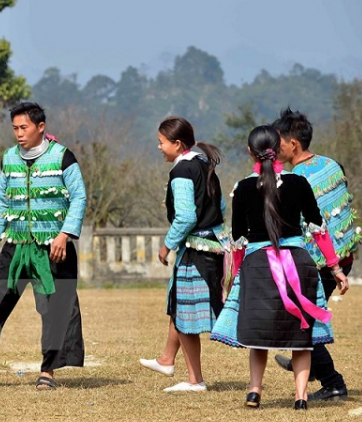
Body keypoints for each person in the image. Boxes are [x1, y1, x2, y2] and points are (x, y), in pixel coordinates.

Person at [210, 125, 348, 410]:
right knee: (301, 335)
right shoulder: (299, 183)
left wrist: (237, 275)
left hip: (259, 266)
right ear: (279, 149)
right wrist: (334, 267)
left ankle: (254, 391)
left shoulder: (244, 187)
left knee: (260, 333)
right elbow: (319, 229)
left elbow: (238, 239)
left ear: (251, 151)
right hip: (299, 264)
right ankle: (300, 398)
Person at [0, 102, 87, 391]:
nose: (19, 134)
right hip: (17, 243)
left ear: (40, 127)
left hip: (53, 247)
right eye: (15, 128)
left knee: (56, 309)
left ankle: (48, 371)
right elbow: (1, 200)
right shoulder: (9, 158)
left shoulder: (62, 156)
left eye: (24, 128)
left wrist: (64, 235)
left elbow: (79, 197)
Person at [271, 108, 362, 401]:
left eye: (279, 142)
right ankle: (307, 365)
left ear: (293, 144)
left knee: (301, 321)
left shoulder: (294, 178)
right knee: (301, 318)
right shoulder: (331, 165)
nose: (275, 148)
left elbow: (305, 225)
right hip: (342, 256)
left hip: (320, 261)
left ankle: (331, 381)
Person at [138, 117, 226, 392]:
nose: (159, 147)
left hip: (195, 250)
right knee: (179, 304)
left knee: (186, 313)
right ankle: (166, 359)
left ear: (177, 144)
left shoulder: (182, 172)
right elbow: (220, 205)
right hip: (212, 244)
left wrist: (168, 244)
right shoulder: (203, 163)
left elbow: (186, 216)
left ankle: (195, 380)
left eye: (162, 143)